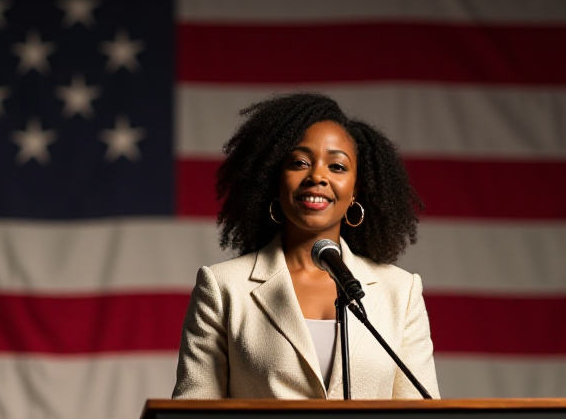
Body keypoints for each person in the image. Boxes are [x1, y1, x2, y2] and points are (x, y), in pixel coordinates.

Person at [172, 93, 439, 399]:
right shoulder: (223, 288)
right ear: (274, 180)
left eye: (337, 166)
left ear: (356, 190)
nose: (317, 176)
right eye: (300, 163)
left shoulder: (401, 292)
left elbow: (423, 416)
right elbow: (192, 417)